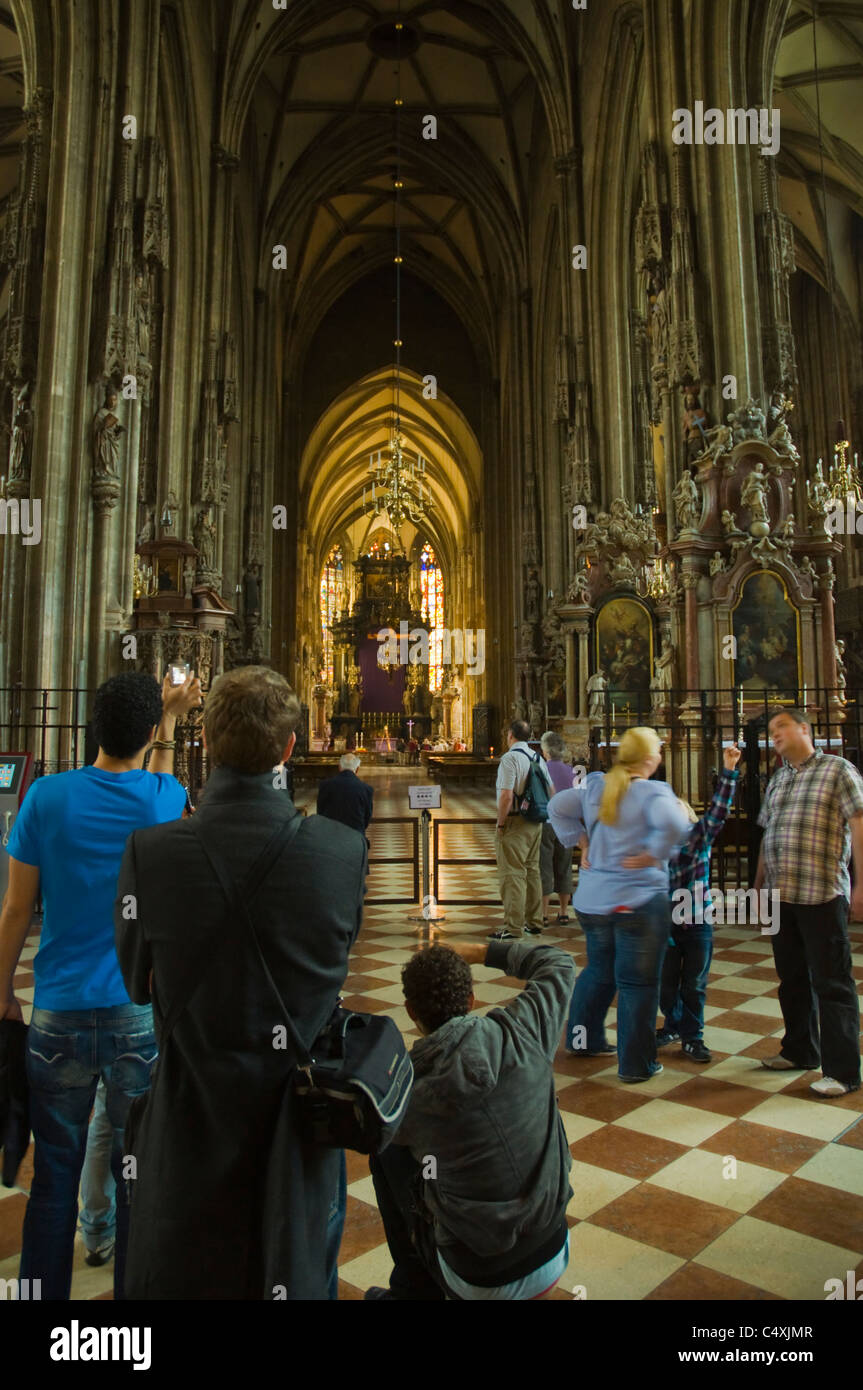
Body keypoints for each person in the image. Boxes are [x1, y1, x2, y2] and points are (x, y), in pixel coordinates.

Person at [114, 666, 368, 1298]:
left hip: (188, 1126)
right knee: (296, 1273)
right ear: (289, 747)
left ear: (209, 739)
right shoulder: (342, 852)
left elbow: (137, 985)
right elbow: (333, 961)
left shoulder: (149, 852)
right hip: (296, 1133)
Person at [0, 669, 202, 1299]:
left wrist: (1, 992)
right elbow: (158, 778)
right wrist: (170, 717)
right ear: (147, 734)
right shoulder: (164, 797)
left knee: (52, 1180)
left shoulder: (45, 797)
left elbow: (15, 909)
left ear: (92, 725)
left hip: (56, 1010)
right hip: (132, 1011)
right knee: (135, 1175)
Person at [365, 939, 575, 1300]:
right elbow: (558, 963)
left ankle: (411, 1292)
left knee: (387, 1151)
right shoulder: (526, 1028)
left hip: (477, 1279)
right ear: (472, 999)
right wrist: (481, 951)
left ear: (411, 1011)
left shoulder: (408, 1093)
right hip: (551, 1248)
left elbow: (370, 1127)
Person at [547, 728, 690, 1082]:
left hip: (593, 901)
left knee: (599, 971)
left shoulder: (596, 785)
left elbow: (556, 807)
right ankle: (637, 1065)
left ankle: (582, 1040)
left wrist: (580, 840)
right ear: (649, 758)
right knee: (637, 984)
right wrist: (653, 854)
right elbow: (679, 825)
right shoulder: (652, 792)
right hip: (636, 902)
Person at [754, 708, 863, 1096]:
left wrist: (861, 885)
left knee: (832, 982)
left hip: (822, 894)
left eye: (781, 726)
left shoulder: (838, 770)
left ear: (804, 728)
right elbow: (768, 835)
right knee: (792, 979)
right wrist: (758, 886)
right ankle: (800, 1050)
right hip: (782, 895)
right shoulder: (778, 779)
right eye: (771, 730)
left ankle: (843, 1072)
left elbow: (859, 825)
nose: (774, 734)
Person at [625, 745, 742, 1063]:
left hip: (696, 922)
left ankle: (693, 1036)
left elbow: (718, 812)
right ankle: (674, 1024)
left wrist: (729, 771)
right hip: (664, 925)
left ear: (689, 818)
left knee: (694, 983)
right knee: (666, 984)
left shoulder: (697, 839)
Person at [491, 719, 553, 942]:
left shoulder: (510, 759)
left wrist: (501, 823)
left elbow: (506, 796)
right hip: (536, 822)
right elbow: (551, 790)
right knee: (532, 871)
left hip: (515, 822)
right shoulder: (537, 757)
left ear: (510, 735)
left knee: (512, 874)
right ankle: (534, 922)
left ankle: (513, 927)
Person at [539, 731, 575, 925]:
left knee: (543, 867)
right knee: (564, 867)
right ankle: (563, 912)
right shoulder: (572, 771)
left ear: (545, 751)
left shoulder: (540, 770)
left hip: (546, 823)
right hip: (567, 825)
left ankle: (543, 914)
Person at [316, 753, 374, 834]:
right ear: (357, 769)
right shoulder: (366, 789)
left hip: (329, 835)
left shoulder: (325, 785)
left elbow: (320, 813)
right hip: (355, 836)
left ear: (339, 767)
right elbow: (366, 819)